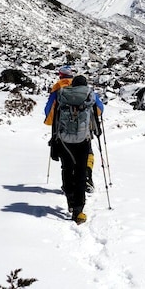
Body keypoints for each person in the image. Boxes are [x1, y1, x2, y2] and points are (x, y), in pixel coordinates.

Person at [44, 68, 105, 223]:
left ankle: (70, 200)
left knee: (66, 168)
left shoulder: (61, 93)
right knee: (79, 173)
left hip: (64, 139)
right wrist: (96, 131)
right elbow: (99, 111)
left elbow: (51, 114)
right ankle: (78, 211)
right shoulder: (89, 94)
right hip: (83, 140)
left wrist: (54, 137)